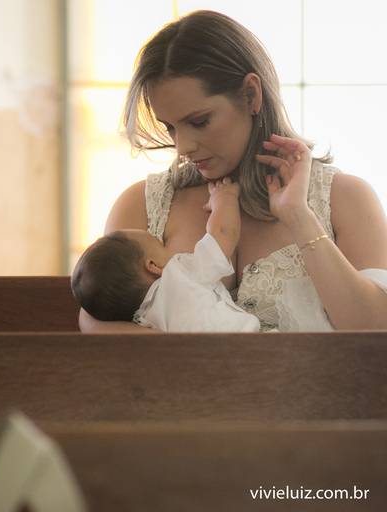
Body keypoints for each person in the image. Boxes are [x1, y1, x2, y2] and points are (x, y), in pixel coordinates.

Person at [79, 10, 387, 333]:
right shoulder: (140, 206)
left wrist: (299, 217)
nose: (182, 147)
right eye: (170, 127)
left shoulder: (346, 199)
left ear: (251, 95)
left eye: (199, 121)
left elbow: (376, 333)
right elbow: (94, 322)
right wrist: (223, 368)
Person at [72, 176, 262, 331]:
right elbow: (222, 234)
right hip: (249, 344)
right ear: (153, 266)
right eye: (160, 245)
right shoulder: (178, 275)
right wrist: (224, 199)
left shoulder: (144, 321)